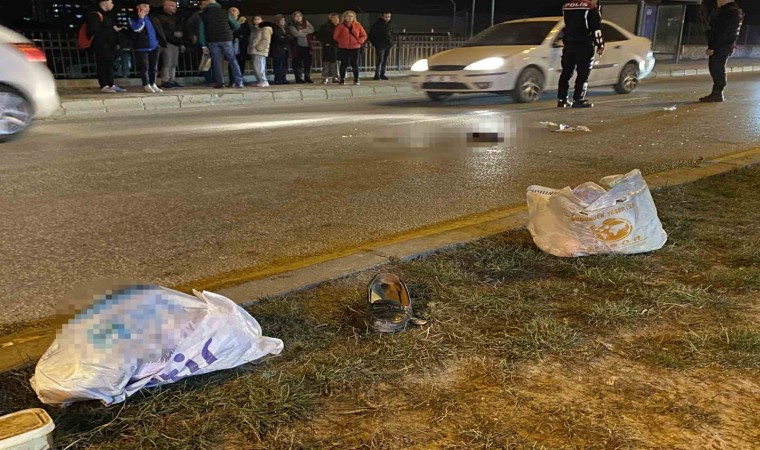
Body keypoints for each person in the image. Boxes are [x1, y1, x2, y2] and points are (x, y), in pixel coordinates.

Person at [557, 0, 604, 108]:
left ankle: (562, 99)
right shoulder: (591, 7)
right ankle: (578, 99)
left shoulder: (567, 6)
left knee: (566, 73)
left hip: (569, 44)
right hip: (585, 45)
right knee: (583, 73)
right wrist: (600, 44)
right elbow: (596, 29)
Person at [700, 0, 744, 103]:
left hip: (721, 46)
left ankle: (717, 94)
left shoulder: (729, 12)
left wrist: (713, 47)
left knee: (717, 68)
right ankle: (716, 93)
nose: (717, 1)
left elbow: (721, 32)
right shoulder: (731, 11)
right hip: (724, 45)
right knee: (717, 67)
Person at [198, 0, 243, 89]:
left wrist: (203, 45)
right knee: (232, 60)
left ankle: (220, 83)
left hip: (212, 40)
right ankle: (239, 82)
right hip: (226, 39)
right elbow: (235, 26)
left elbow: (201, 31)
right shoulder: (225, 12)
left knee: (217, 62)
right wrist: (237, 23)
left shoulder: (203, 15)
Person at [86, 0, 126, 93]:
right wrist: (113, 29)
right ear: (105, 3)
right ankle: (104, 85)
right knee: (102, 64)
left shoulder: (108, 15)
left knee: (110, 65)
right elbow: (96, 32)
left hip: (110, 44)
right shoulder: (94, 15)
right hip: (101, 44)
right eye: (111, 2)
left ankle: (111, 84)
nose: (112, 4)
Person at [129, 3, 166, 93]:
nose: (147, 8)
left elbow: (159, 31)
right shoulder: (132, 18)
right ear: (138, 7)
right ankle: (146, 84)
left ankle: (153, 83)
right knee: (144, 67)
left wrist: (159, 42)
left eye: (148, 6)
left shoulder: (152, 18)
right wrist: (141, 18)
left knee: (154, 67)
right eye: (144, 6)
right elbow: (137, 29)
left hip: (154, 46)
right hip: (142, 47)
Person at [333, 10, 367, 86]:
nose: (350, 18)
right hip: (343, 47)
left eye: (352, 16)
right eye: (348, 16)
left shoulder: (358, 25)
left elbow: (364, 35)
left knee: (355, 64)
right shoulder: (340, 26)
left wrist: (359, 41)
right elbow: (335, 36)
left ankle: (356, 79)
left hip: (355, 47)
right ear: (344, 17)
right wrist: (342, 42)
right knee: (343, 64)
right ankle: (342, 79)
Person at [156, 0, 184, 89]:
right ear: (165, 6)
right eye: (172, 6)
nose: (174, 8)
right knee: (167, 62)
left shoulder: (175, 17)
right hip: (167, 42)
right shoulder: (161, 17)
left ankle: (172, 79)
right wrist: (174, 35)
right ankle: (166, 80)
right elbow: (163, 31)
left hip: (175, 42)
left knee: (174, 62)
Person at [288, 11, 315, 84]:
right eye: (296, 16)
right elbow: (296, 34)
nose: (298, 17)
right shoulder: (291, 24)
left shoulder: (306, 22)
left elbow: (312, 29)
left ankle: (307, 77)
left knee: (308, 63)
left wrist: (302, 30)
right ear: (294, 17)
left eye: (299, 16)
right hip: (297, 47)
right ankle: (299, 78)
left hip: (307, 46)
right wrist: (306, 32)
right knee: (297, 63)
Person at [227, 8, 251, 86]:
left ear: (238, 12)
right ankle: (232, 81)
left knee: (241, 62)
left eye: (234, 11)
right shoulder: (228, 21)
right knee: (231, 62)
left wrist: (240, 35)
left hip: (241, 43)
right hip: (231, 43)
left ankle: (240, 80)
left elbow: (247, 31)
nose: (233, 13)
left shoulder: (243, 20)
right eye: (231, 11)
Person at [248, 16, 273, 87]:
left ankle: (264, 81)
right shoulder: (254, 29)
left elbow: (266, 39)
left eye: (258, 19)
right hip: (254, 50)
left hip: (260, 50)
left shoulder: (265, 29)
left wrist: (259, 48)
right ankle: (259, 81)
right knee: (256, 67)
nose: (256, 20)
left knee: (259, 66)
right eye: (255, 19)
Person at [316, 13, 340, 84]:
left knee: (335, 63)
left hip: (337, 47)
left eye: (337, 18)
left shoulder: (340, 27)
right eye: (334, 18)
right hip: (327, 46)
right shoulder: (325, 27)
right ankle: (325, 77)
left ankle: (335, 77)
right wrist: (325, 43)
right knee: (326, 62)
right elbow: (319, 36)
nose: (336, 19)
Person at [368, 11, 392, 80]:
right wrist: (376, 43)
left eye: (389, 17)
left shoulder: (388, 24)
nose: (387, 18)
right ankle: (377, 75)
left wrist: (390, 42)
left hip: (387, 44)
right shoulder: (377, 25)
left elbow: (389, 34)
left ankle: (382, 74)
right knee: (380, 60)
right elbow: (372, 35)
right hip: (380, 45)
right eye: (386, 17)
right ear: (382, 17)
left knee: (385, 60)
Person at [270, 14, 290, 85]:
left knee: (284, 65)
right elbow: (278, 37)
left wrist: (285, 37)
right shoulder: (275, 28)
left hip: (285, 49)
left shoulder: (286, 29)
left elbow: (290, 37)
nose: (282, 22)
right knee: (278, 65)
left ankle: (283, 78)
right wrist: (285, 38)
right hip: (277, 49)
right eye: (281, 20)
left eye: (283, 20)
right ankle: (278, 79)